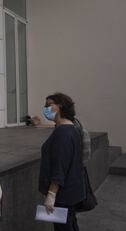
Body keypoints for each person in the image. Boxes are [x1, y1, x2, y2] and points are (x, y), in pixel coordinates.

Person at [39, 93, 85, 231]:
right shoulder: (72, 128)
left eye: (48, 105)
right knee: (70, 225)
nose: (45, 109)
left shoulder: (63, 133)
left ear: (59, 107)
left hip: (62, 196)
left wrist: (52, 195)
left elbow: (60, 166)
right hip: (72, 193)